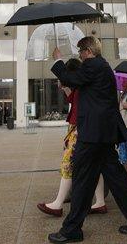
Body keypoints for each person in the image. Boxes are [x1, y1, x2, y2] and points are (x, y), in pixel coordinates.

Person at [47, 37, 127, 244]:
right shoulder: (100, 67)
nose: (79, 54)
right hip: (101, 134)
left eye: (80, 51)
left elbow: (71, 78)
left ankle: (72, 230)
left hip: (93, 135)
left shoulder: (94, 65)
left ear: (88, 50)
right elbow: (76, 83)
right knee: (118, 180)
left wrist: (58, 61)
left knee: (82, 179)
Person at [38, 59, 107, 218]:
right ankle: (100, 201)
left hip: (79, 129)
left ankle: (58, 204)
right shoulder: (83, 85)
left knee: (68, 164)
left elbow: (75, 102)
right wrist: (65, 87)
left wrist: (65, 80)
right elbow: (73, 100)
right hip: (80, 129)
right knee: (96, 166)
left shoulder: (83, 84)